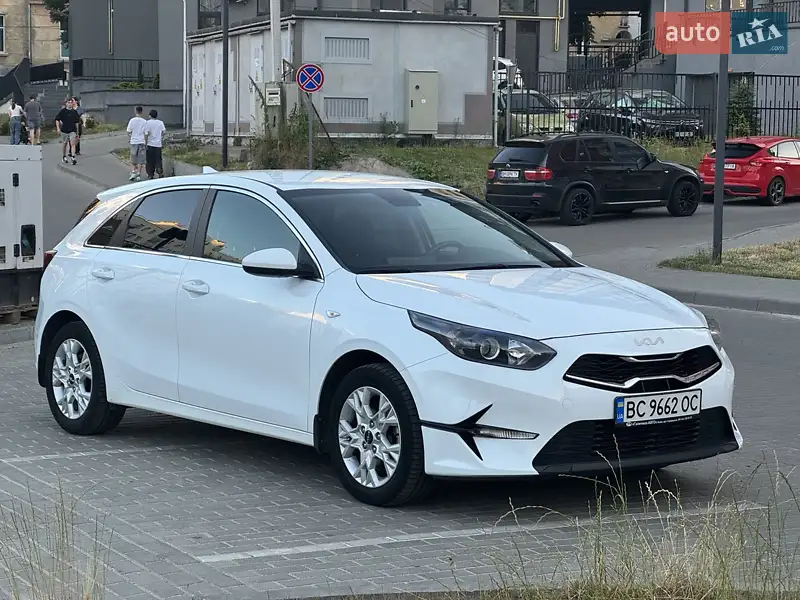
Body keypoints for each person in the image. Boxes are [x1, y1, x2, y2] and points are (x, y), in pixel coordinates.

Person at [55, 98, 81, 165]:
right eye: (68, 102)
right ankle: (64, 156)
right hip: (64, 130)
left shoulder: (74, 112)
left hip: (72, 130)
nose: (70, 104)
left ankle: (73, 157)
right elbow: (57, 119)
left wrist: (77, 132)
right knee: (65, 144)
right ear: (66, 103)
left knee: (72, 144)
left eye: (71, 102)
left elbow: (77, 123)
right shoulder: (63, 111)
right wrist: (58, 128)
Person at [126, 106, 148, 181]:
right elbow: (146, 133)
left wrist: (130, 139)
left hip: (134, 142)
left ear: (136, 111)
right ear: (142, 112)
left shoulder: (132, 120)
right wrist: (146, 142)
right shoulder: (145, 122)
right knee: (140, 159)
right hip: (141, 141)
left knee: (133, 157)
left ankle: (133, 172)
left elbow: (128, 131)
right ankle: (138, 174)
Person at [144, 109, 166, 179]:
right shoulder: (160, 122)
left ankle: (150, 174)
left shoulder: (147, 123)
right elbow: (164, 132)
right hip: (158, 144)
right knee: (158, 159)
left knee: (149, 160)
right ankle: (159, 171)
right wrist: (161, 137)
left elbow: (146, 134)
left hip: (150, 144)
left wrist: (145, 144)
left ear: (150, 115)